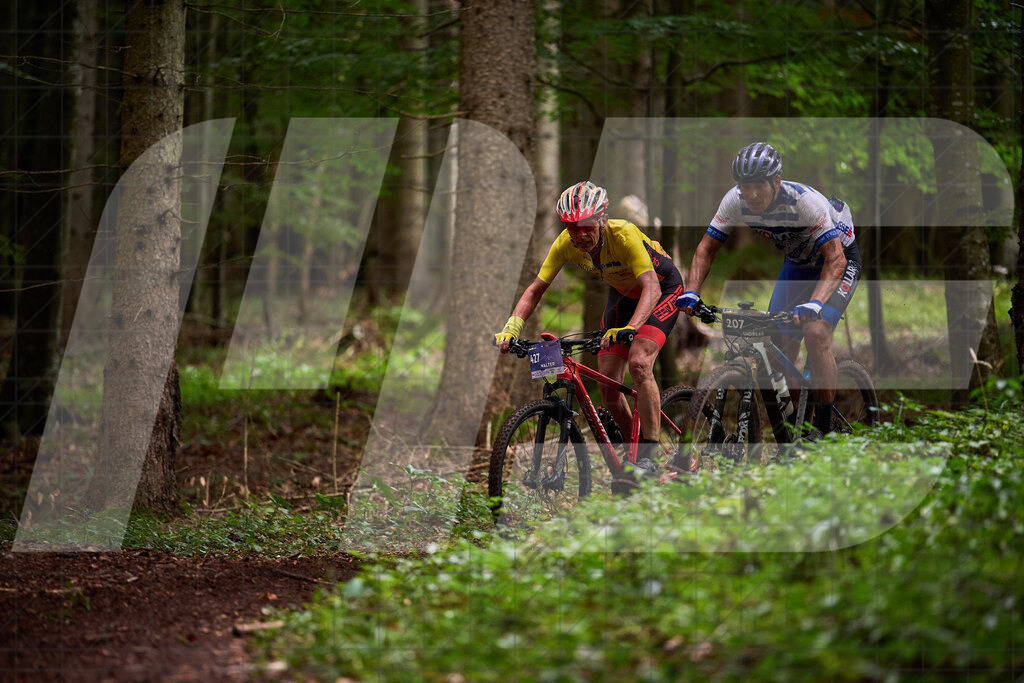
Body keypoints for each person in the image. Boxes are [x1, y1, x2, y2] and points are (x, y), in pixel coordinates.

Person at [494, 181, 684, 475]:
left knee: (639, 363)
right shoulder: (565, 244)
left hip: (662, 289)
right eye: (573, 227)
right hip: (623, 296)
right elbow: (535, 289)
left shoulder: (624, 234)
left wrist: (631, 327)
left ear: (602, 219)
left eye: (587, 226)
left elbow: (652, 288)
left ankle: (649, 454)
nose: (581, 234)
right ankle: (633, 457)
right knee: (608, 383)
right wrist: (511, 328)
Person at [678, 142, 863, 435]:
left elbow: (835, 260)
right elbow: (706, 249)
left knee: (815, 333)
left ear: (776, 181)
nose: (751, 194)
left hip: (838, 261)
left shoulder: (805, 203)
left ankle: (825, 429)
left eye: (759, 186)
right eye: (745, 186)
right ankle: (799, 428)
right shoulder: (734, 200)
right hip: (798, 266)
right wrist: (692, 291)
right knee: (776, 347)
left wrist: (815, 302)